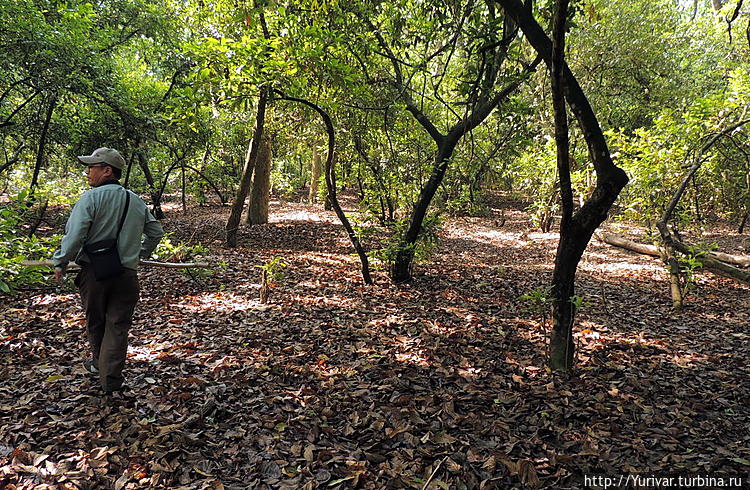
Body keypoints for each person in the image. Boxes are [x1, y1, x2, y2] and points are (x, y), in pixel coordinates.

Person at [52, 147, 164, 395]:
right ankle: (110, 381)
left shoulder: (89, 199)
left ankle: (97, 365)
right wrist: (141, 253)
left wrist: (60, 261)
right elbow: (156, 232)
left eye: (92, 167)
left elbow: (75, 236)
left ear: (107, 170)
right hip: (126, 275)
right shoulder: (135, 200)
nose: (87, 172)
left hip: (95, 273)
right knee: (118, 326)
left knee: (96, 322)